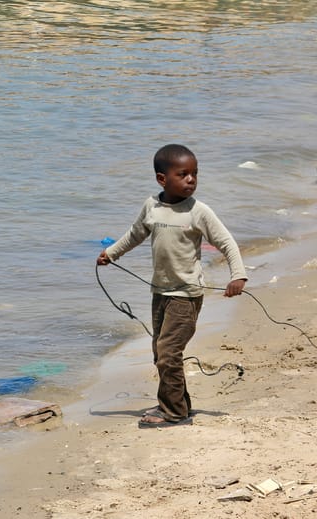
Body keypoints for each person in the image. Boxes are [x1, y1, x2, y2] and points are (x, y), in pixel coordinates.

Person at [96, 144, 247, 428]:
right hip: (160, 292)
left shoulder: (198, 211)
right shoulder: (151, 206)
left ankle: (174, 413)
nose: (191, 180)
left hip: (186, 296)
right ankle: (177, 402)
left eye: (194, 174)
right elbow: (135, 234)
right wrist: (112, 253)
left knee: (168, 352)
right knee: (160, 352)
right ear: (162, 179)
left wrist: (238, 276)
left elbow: (226, 242)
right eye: (183, 174)